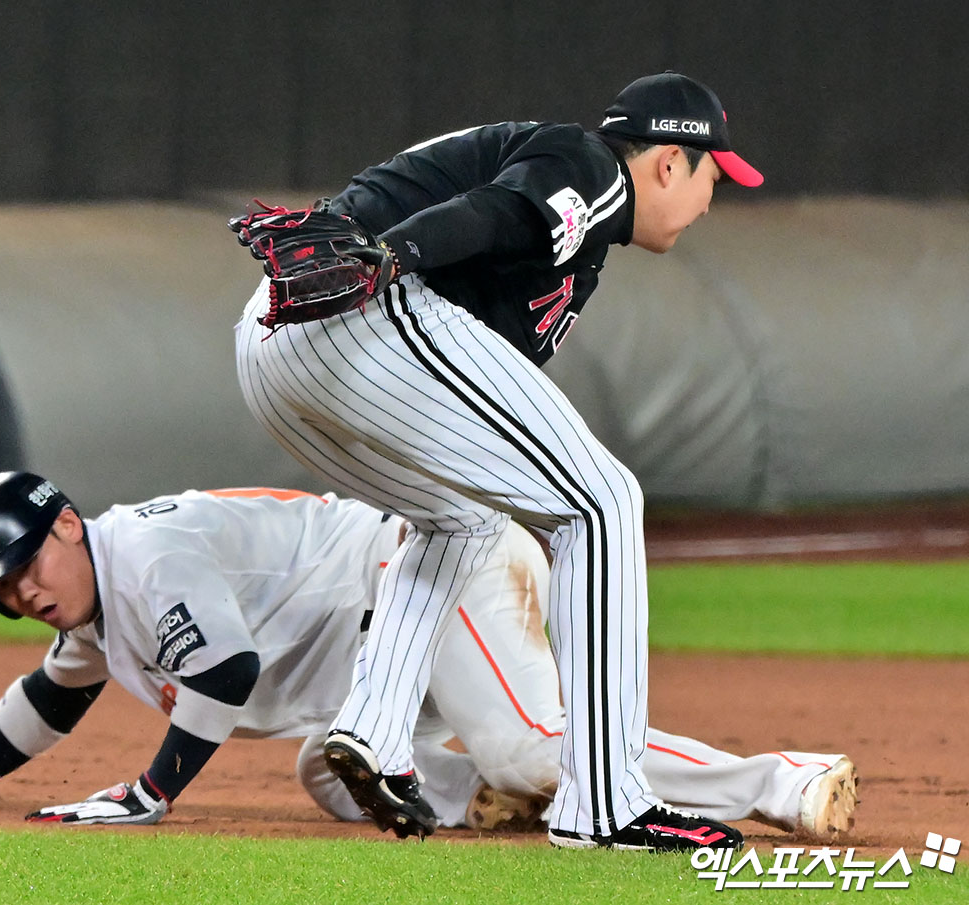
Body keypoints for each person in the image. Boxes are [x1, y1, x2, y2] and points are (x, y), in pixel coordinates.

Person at [233, 71, 764, 850]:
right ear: (667, 163)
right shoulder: (593, 167)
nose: (713, 199)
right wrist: (393, 252)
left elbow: (487, 337)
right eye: (714, 174)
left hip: (277, 341)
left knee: (464, 518)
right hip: (364, 303)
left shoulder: (573, 256)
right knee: (605, 501)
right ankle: (606, 800)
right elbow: (498, 210)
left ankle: (376, 732)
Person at [0, 472, 858, 842]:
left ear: (63, 525)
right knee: (334, 769)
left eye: (24, 564)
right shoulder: (95, 606)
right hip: (384, 638)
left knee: (527, 743)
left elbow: (224, 674)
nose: (21, 592)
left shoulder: (142, 553)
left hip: (428, 570)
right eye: (2, 588)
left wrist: (152, 791)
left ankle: (780, 777)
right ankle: (501, 799)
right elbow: (47, 699)